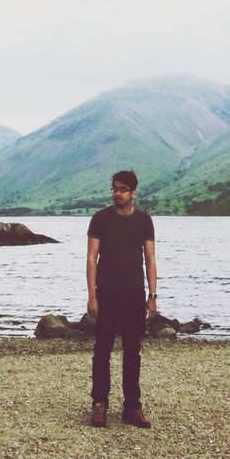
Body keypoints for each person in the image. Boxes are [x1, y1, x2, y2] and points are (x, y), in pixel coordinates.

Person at [86, 169, 157, 429]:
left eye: (123, 189)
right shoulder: (100, 219)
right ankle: (99, 404)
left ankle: (132, 407)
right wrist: (92, 295)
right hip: (106, 292)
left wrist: (152, 296)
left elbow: (150, 258)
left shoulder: (144, 221)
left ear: (133, 193)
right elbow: (91, 258)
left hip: (134, 293)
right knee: (102, 350)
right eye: (115, 188)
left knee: (132, 352)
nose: (117, 193)